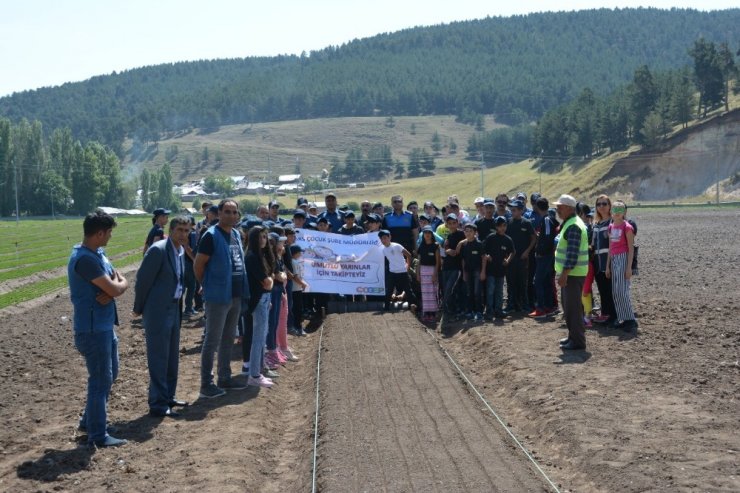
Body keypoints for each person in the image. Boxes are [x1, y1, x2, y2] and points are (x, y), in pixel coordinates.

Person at [68, 210, 129, 448]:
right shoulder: (85, 260)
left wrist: (116, 286)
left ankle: (89, 420)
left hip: (103, 326)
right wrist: (115, 288)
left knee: (110, 374)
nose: (110, 237)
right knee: (100, 381)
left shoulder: (98, 253)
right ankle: (97, 434)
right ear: (100, 233)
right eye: (109, 232)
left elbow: (119, 281)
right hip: (93, 330)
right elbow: (115, 287)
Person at [133, 216, 191, 418]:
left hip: (174, 309)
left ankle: (168, 396)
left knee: (172, 356)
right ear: (171, 230)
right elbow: (142, 281)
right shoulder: (158, 251)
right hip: (158, 311)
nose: (184, 234)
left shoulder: (180, 251)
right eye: (180, 230)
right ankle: (157, 403)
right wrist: (138, 308)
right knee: (158, 357)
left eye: (187, 230)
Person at [194, 199, 250, 398]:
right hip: (218, 296)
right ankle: (206, 384)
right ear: (219, 214)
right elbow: (198, 264)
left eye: (235, 212)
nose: (232, 216)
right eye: (227, 212)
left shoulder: (236, 234)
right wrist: (207, 284)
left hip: (235, 294)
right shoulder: (211, 236)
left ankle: (224, 377)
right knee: (212, 340)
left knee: (228, 337)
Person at [553, 194, 590, 351]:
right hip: (571, 274)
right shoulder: (570, 223)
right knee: (569, 307)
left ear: (568, 208)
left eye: (560, 207)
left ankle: (578, 341)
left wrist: (564, 274)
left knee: (573, 309)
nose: (557, 210)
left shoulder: (573, 225)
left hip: (573, 274)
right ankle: (572, 337)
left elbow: (572, 254)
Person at [243, 226, 275, 388]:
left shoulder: (260, 256)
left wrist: (270, 280)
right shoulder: (252, 257)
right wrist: (271, 279)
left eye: (265, 237)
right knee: (258, 338)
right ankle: (254, 375)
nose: (263, 240)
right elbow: (268, 283)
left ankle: (258, 371)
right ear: (253, 239)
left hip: (263, 298)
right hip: (258, 299)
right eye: (260, 237)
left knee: (262, 336)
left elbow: (269, 281)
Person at [606, 201, 638, 331]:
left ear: (624, 212)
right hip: (614, 259)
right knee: (616, 291)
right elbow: (610, 247)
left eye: (620, 210)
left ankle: (630, 319)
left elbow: (631, 249)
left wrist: (629, 267)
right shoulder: (611, 227)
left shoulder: (627, 227)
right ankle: (622, 317)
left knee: (622, 290)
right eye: (614, 210)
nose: (617, 213)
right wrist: (607, 266)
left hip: (623, 258)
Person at [529, 197, 559, 318]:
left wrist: (542, 250)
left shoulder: (546, 219)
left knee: (538, 281)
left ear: (537, 206)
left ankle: (541, 308)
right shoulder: (549, 219)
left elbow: (547, 237)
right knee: (546, 281)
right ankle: (548, 306)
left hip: (545, 255)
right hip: (548, 255)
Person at [505, 200, 536, 312]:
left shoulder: (526, 223)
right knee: (510, 282)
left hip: (523, 258)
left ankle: (525, 304)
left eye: (514, 210)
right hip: (511, 258)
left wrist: (527, 251)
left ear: (521, 210)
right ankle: (511, 305)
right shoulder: (508, 223)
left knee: (523, 282)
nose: (512, 212)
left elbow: (533, 238)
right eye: (511, 210)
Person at [481, 216, 514, 320]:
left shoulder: (508, 239)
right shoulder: (491, 237)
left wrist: (508, 260)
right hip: (490, 270)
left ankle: (498, 310)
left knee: (499, 291)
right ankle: (489, 311)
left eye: (504, 225)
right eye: (500, 226)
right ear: (496, 227)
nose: (502, 228)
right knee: (490, 290)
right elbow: (483, 249)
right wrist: (487, 256)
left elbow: (513, 252)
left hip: (501, 271)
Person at [592, 195, 616, 326]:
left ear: (609, 206)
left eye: (604, 204)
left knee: (610, 290)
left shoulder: (612, 223)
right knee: (602, 290)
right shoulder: (596, 224)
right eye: (599, 204)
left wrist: (608, 265)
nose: (601, 206)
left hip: (609, 263)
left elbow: (613, 245)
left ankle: (612, 316)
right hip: (597, 263)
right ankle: (605, 314)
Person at [378, 230, 417, 312]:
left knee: (408, 291)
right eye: (381, 239)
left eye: (385, 238)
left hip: (403, 272)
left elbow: (409, 255)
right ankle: (386, 308)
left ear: (390, 237)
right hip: (392, 273)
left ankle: (415, 306)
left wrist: (408, 266)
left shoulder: (397, 246)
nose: (383, 240)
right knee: (389, 291)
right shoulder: (383, 250)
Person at [441, 213, 466, 320]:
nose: (452, 225)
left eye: (454, 223)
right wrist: (447, 250)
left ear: (457, 223)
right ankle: (449, 310)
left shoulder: (461, 234)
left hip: (457, 266)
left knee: (450, 289)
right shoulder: (448, 236)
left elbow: (470, 238)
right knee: (447, 289)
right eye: (450, 223)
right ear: (447, 224)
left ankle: (452, 310)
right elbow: (446, 247)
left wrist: (460, 243)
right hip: (447, 266)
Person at [458, 223, 484, 321]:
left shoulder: (479, 244)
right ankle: (470, 311)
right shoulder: (464, 245)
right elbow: (463, 260)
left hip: (477, 271)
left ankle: (479, 312)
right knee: (469, 292)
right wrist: (464, 273)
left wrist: (483, 272)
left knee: (477, 292)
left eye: (470, 231)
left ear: (475, 233)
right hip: (467, 271)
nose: (468, 233)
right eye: (466, 231)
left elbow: (483, 258)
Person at [416, 226, 441, 322]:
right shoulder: (421, 246)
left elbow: (437, 262)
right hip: (423, 271)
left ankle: (433, 314)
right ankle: (426, 313)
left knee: (433, 292)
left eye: (429, 233)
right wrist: (418, 274)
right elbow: (419, 261)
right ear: (423, 234)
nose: (427, 234)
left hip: (432, 271)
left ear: (432, 234)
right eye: (425, 232)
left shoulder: (436, 246)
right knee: (425, 293)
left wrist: (435, 274)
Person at [290, 244, 308, 335]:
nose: (300, 254)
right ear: (295, 253)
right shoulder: (294, 262)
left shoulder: (294, 261)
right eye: (299, 252)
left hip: (296, 288)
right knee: (297, 309)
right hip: (295, 289)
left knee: (297, 308)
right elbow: (295, 277)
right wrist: (303, 284)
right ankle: (298, 327)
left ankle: (296, 326)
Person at [183, 216, 198, 316]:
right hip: (189, 262)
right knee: (192, 286)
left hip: (183, 262)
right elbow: (187, 247)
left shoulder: (183, 232)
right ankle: (188, 308)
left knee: (183, 287)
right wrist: (194, 259)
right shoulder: (191, 233)